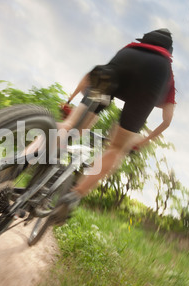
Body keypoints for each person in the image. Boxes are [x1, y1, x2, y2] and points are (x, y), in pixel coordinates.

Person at [52, 28, 177, 224]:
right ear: (169, 51)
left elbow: (90, 75)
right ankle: (74, 195)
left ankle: (20, 160)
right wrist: (143, 140)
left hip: (120, 67)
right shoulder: (167, 70)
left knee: (72, 125)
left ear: (144, 39)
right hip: (151, 80)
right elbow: (167, 119)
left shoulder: (131, 48)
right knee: (117, 148)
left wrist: (70, 101)